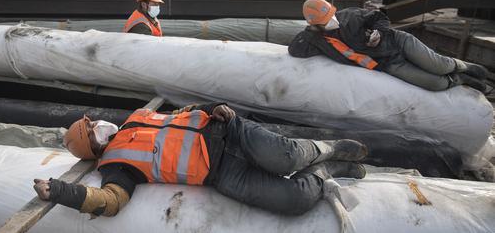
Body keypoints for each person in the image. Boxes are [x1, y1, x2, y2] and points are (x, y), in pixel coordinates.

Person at [33, 103, 368, 217]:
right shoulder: (116, 167)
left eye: (91, 121)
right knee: (294, 200)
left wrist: (210, 108)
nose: (98, 124)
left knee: (286, 157)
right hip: (220, 173)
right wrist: (64, 193)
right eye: (91, 130)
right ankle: (328, 169)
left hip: (227, 131)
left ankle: (328, 148)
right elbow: (109, 202)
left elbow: (180, 113)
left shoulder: (136, 115)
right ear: (92, 148)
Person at [288, 0, 490, 93]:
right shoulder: (318, 40)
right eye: (326, 19)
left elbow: (379, 17)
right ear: (316, 25)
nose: (332, 20)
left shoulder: (350, 16)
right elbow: (295, 50)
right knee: (435, 84)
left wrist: (379, 32)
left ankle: (464, 66)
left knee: (439, 67)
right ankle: (461, 79)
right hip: (387, 63)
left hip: (398, 42)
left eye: (331, 14)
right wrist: (311, 32)